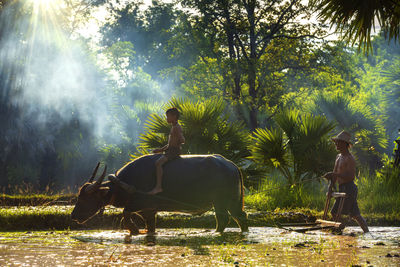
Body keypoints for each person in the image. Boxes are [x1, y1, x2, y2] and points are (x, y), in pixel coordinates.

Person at [324, 130, 370, 233]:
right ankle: (364, 232)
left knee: (338, 213)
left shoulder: (350, 158)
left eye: (338, 142)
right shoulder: (338, 157)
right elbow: (334, 174)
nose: (336, 144)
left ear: (345, 144)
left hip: (349, 188)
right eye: (336, 142)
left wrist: (334, 174)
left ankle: (341, 229)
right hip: (342, 188)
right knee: (354, 214)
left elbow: (351, 176)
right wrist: (330, 186)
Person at [148, 107, 185, 195]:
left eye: (168, 116)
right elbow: (170, 144)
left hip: (174, 152)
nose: (166, 118)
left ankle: (158, 187)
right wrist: (160, 150)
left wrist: (180, 140)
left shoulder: (177, 127)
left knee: (158, 163)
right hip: (170, 150)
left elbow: (182, 139)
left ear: (174, 116)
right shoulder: (173, 127)